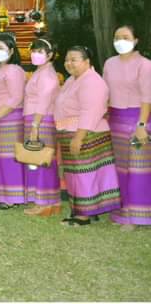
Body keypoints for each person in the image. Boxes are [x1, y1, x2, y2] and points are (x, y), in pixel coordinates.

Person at [54, 46, 121, 226]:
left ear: (87, 62)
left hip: (86, 134)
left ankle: (84, 215)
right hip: (70, 133)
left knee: (85, 174)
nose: (69, 63)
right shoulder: (72, 80)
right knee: (75, 175)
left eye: (74, 59)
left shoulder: (92, 81)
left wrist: (79, 137)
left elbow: (90, 111)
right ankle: (84, 210)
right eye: (67, 59)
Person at [103, 25, 151, 230]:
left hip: (138, 119)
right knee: (119, 169)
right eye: (117, 37)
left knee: (137, 169)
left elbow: (147, 97)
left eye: (125, 37)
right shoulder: (109, 63)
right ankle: (121, 210)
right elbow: (104, 92)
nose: (120, 40)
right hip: (114, 120)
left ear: (136, 40)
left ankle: (137, 216)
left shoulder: (145, 65)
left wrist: (141, 125)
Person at [0, 33, 27, 209]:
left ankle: (13, 197)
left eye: (1, 48)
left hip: (10, 119)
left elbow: (16, 97)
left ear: (11, 51)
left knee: (10, 159)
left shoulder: (15, 70)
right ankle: (1, 195)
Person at [23, 38, 62, 216]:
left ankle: (45, 203)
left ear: (50, 55)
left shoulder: (47, 75)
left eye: (40, 51)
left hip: (41, 120)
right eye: (33, 50)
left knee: (42, 161)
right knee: (38, 161)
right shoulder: (40, 71)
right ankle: (46, 201)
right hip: (35, 118)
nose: (35, 54)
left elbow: (43, 101)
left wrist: (35, 125)